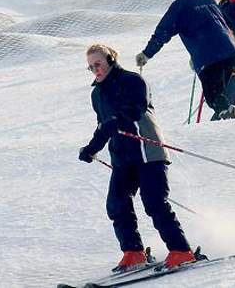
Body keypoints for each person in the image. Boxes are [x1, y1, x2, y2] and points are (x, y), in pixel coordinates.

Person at [78, 44, 196, 271]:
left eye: (98, 64)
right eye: (91, 67)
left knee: (154, 202)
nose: (95, 70)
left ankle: (181, 251)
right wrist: (91, 148)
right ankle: (133, 253)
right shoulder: (97, 94)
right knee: (116, 204)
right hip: (122, 157)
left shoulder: (133, 81)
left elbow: (137, 107)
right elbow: (103, 126)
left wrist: (117, 120)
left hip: (147, 150)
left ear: (111, 59)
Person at [134, 0, 235, 121]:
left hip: (211, 57)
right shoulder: (210, 2)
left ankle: (228, 115)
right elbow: (218, 27)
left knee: (214, 95)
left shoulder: (180, 5)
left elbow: (163, 31)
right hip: (231, 53)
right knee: (218, 91)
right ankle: (228, 114)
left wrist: (146, 54)